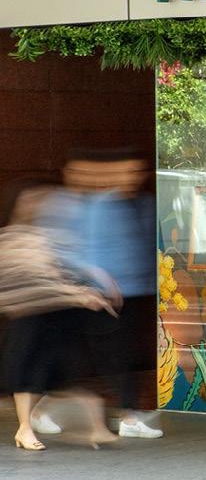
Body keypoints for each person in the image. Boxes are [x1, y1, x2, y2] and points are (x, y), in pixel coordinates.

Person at [0, 179, 119, 451]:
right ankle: (25, 429)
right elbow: (37, 283)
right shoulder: (12, 240)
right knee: (27, 377)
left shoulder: (43, 240)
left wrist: (83, 291)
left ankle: (92, 428)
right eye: (31, 202)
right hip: (26, 321)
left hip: (49, 319)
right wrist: (78, 295)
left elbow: (57, 277)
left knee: (50, 377)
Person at [55, 150, 162, 439]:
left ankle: (126, 413)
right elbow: (84, 249)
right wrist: (99, 282)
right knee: (114, 356)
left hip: (136, 291)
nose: (133, 177)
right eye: (128, 170)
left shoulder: (145, 203)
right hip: (105, 294)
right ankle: (128, 415)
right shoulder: (100, 206)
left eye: (137, 171)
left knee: (119, 354)